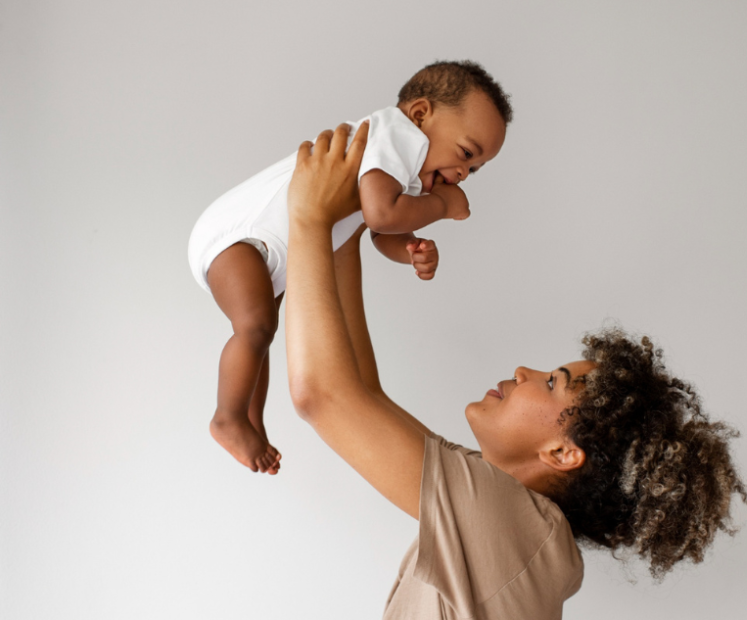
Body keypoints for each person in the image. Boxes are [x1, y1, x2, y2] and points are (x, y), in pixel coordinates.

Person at [284, 123, 747, 619]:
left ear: (561, 451)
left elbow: (323, 396)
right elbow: (359, 394)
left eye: (553, 383)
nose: (525, 371)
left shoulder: (508, 519)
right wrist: (344, 229)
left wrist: (309, 217)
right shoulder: (511, 518)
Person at [187, 61, 512, 474]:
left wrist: (409, 251)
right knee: (255, 326)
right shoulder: (395, 136)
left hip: (271, 250)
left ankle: (250, 422)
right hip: (238, 237)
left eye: (475, 169)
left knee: (260, 332)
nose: (464, 172)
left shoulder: (406, 173)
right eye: (466, 153)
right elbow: (380, 214)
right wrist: (443, 206)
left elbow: (380, 233)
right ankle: (227, 418)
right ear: (420, 115)